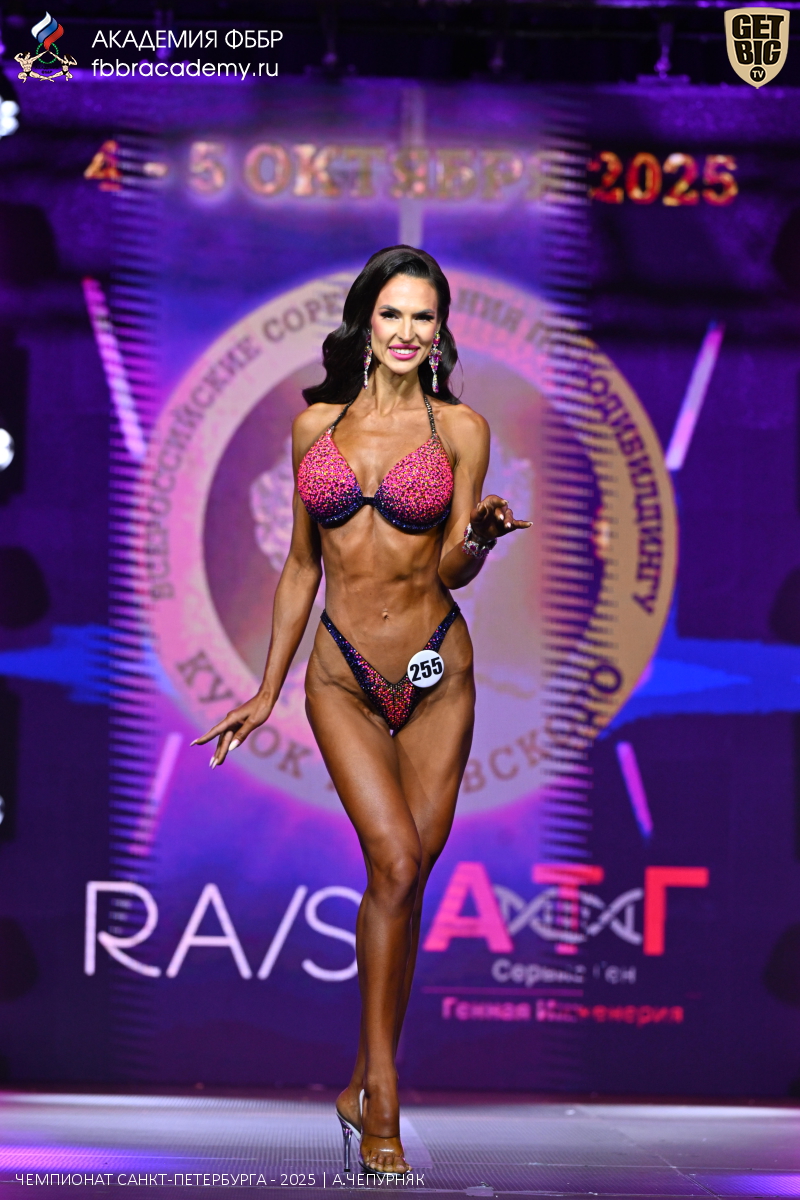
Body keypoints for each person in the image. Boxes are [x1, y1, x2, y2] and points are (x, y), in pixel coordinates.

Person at [193, 246, 530, 1176]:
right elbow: (301, 564)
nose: (408, 332)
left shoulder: (461, 428)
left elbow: (453, 563)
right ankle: (382, 1090)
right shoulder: (316, 427)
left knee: (404, 881)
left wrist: (480, 539)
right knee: (394, 858)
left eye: (424, 317)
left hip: (436, 671)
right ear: (365, 323)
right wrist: (266, 690)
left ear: (441, 331)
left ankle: (357, 1082)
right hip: (340, 674)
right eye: (393, 315)